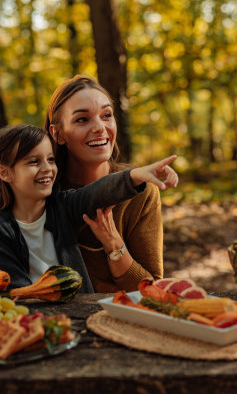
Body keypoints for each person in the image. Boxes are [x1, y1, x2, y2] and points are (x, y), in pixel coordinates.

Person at [0, 123, 178, 293]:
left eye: (50, 159)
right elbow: (14, 286)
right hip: (30, 317)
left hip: (81, 312)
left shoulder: (64, 206)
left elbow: (99, 192)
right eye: (33, 161)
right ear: (5, 173)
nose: (47, 168)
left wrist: (136, 175)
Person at [44, 75, 171, 292]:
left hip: (121, 319)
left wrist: (114, 244)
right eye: (82, 119)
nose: (100, 128)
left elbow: (151, 289)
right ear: (58, 134)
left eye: (106, 115)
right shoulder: (44, 192)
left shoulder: (141, 191)